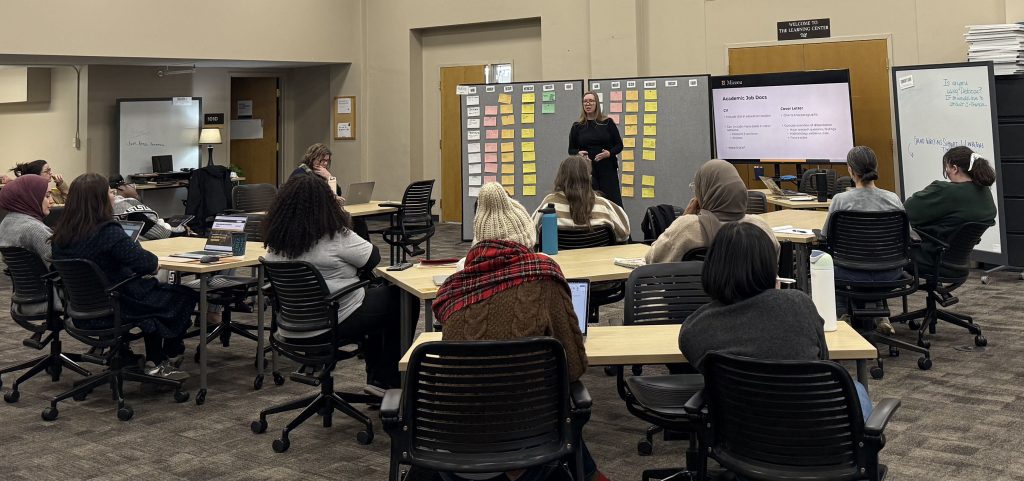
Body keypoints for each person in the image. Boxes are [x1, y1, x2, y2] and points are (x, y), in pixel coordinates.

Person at [432, 182, 606, 481]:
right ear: (525, 236)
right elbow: (573, 368)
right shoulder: (543, 275)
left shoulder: (452, 290)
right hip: (529, 436)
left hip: (454, 439)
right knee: (562, 400)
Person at [678, 222, 872, 421]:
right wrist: (777, 298)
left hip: (741, 440)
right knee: (854, 387)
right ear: (769, 266)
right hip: (816, 435)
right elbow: (823, 359)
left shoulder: (694, 329)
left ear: (712, 266)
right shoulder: (799, 304)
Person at [262, 174, 407, 390]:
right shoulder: (334, 236)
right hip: (335, 318)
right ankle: (385, 380)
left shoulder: (275, 242)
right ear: (325, 204)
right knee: (401, 297)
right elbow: (372, 258)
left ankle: (379, 378)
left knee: (378, 302)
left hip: (290, 326)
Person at [50, 173, 195, 379]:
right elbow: (146, 264)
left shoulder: (60, 236)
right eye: (110, 192)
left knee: (152, 299)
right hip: (117, 305)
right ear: (99, 199)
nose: (114, 196)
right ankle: (165, 358)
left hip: (81, 309)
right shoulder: (108, 231)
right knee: (182, 295)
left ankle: (140, 357)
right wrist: (153, 264)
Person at [824, 146, 906, 335]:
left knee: (829, 267)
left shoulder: (840, 200)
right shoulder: (893, 199)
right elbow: (906, 236)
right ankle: (880, 315)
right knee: (873, 259)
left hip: (849, 273)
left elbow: (826, 236)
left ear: (851, 171)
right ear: (876, 168)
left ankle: (842, 315)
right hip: (890, 274)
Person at [646, 159, 778, 264]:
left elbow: (652, 259)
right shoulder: (761, 227)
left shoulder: (687, 227)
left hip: (695, 297)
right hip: (751, 297)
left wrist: (684, 217)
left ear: (704, 192)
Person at [905, 146, 997, 277]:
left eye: (946, 167)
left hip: (929, 260)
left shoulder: (944, 191)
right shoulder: (985, 193)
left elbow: (904, 212)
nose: (946, 172)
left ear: (954, 168)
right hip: (959, 263)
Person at [531, 155, 630, 242]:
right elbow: (625, 233)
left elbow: (530, 234)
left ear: (560, 178)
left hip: (560, 263)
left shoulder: (548, 204)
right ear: (589, 178)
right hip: (597, 262)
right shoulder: (603, 205)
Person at [0, 174, 58, 315]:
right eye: (47, 196)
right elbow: (60, 264)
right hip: (47, 299)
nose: (51, 201)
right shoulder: (34, 229)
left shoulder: (5, 223)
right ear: (30, 198)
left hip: (23, 299)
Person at [568, 91, 623, 207]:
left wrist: (609, 153)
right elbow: (571, 150)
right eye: (585, 102)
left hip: (607, 169)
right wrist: (578, 153)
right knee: (589, 204)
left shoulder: (607, 123)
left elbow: (619, 145)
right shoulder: (577, 126)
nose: (588, 104)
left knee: (612, 203)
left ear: (596, 103)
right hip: (587, 170)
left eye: (591, 101)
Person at [108, 175, 189, 240]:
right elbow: (158, 233)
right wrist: (184, 231)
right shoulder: (129, 205)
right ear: (121, 188)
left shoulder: (106, 208)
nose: (134, 188)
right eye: (131, 185)